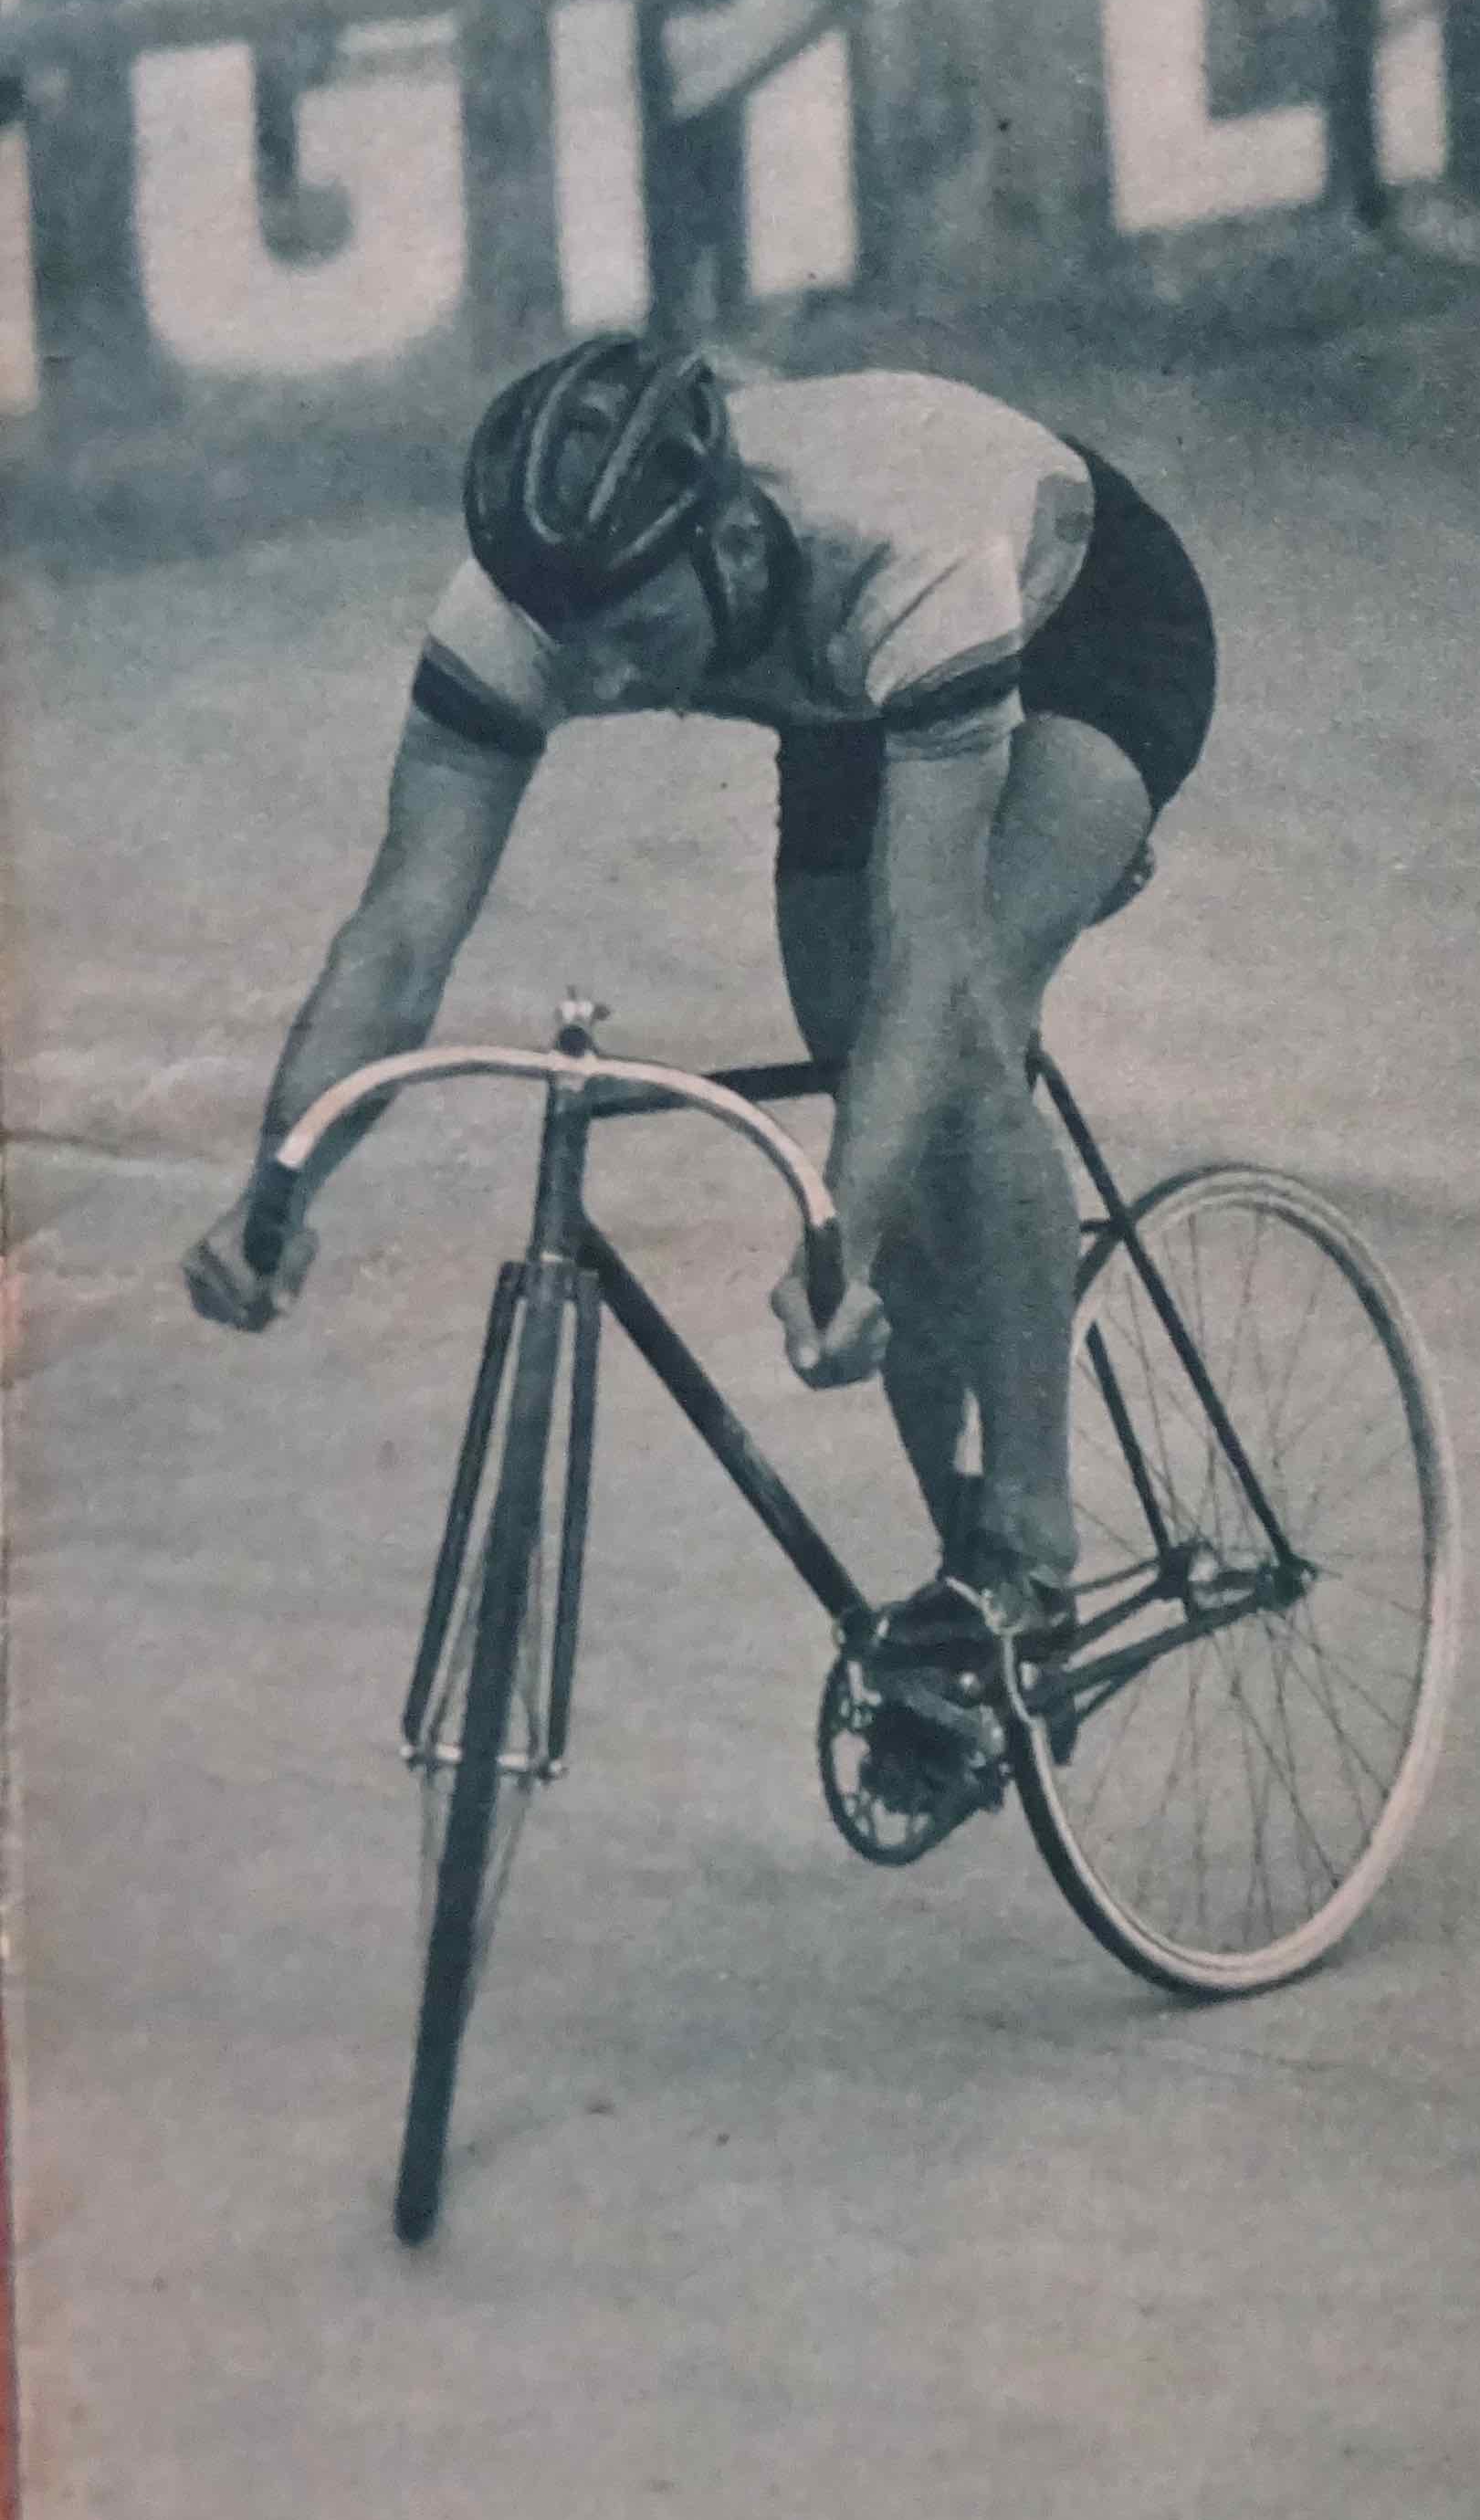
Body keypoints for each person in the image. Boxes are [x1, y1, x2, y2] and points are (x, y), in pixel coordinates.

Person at [183, 343, 1218, 1839]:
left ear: (729, 539)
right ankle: (964, 1589)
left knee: (951, 1040)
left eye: (632, 638)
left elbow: (928, 962)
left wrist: (838, 1233)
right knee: (864, 1090)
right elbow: (400, 933)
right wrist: (280, 1184)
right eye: (575, 648)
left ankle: (1032, 1549)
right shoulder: (526, 606)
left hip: (1077, 626)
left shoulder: (904, 546)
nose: (605, 682)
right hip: (842, 690)